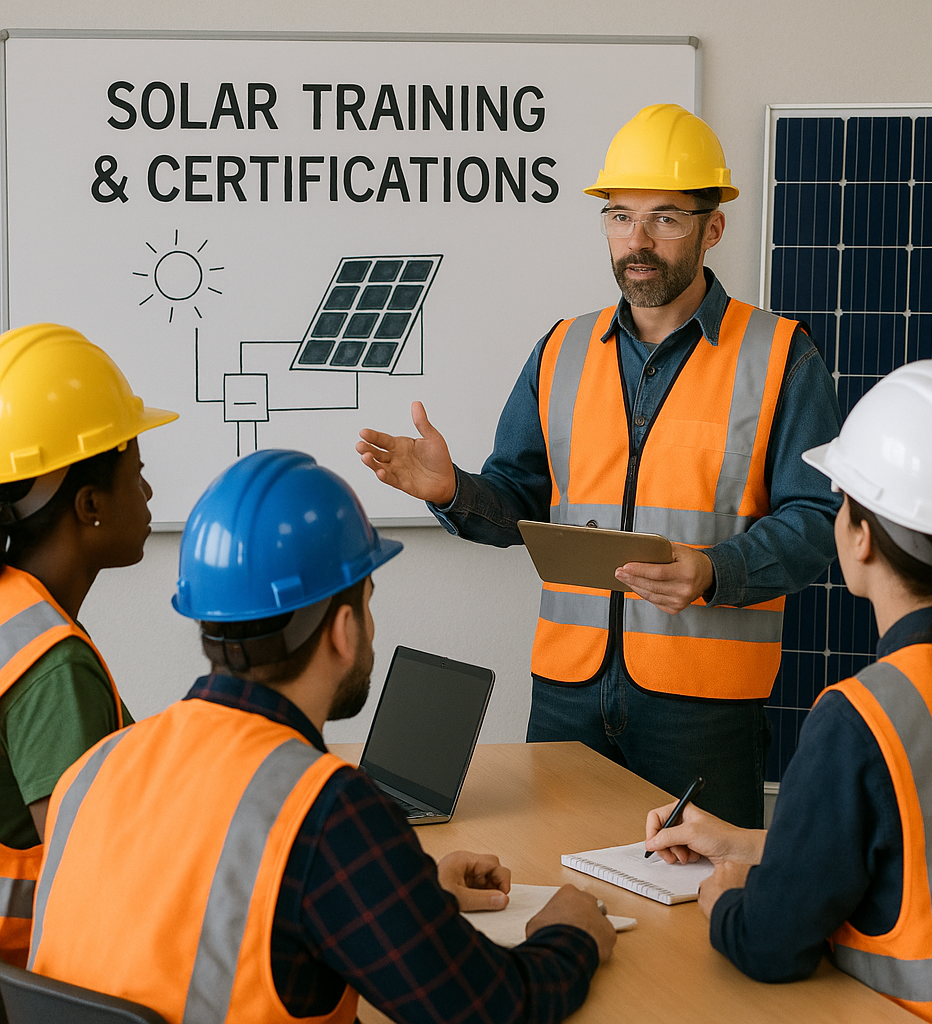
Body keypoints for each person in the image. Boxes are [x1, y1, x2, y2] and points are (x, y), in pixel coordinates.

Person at [357, 103, 841, 827]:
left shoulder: (780, 356)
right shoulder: (562, 350)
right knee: (555, 878)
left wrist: (714, 570)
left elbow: (821, 519)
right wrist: (453, 491)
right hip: (568, 692)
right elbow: (518, 502)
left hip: (702, 705)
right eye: (620, 217)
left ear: (713, 228)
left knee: (700, 889)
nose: (636, 241)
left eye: (664, 218)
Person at [29, 449, 614, 1024]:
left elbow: (190, 913)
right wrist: (569, 932)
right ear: (343, 628)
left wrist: (400, 895)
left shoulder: (98, 765)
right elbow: (493, 1008)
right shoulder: (326, 810)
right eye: (368, 604)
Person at [644, 359, 932, 1022]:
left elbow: (769, 945)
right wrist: (746, 845)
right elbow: (927, 857)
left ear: (862, 537)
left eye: (842, 502)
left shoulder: (861, 718)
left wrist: (723, 897)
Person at [0, 323, 176, 967]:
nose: (148, 493)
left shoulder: (14, 610)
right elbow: (91, 878)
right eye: (138, 474)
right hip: (42, 979)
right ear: (91, 504)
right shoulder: (50, 663)